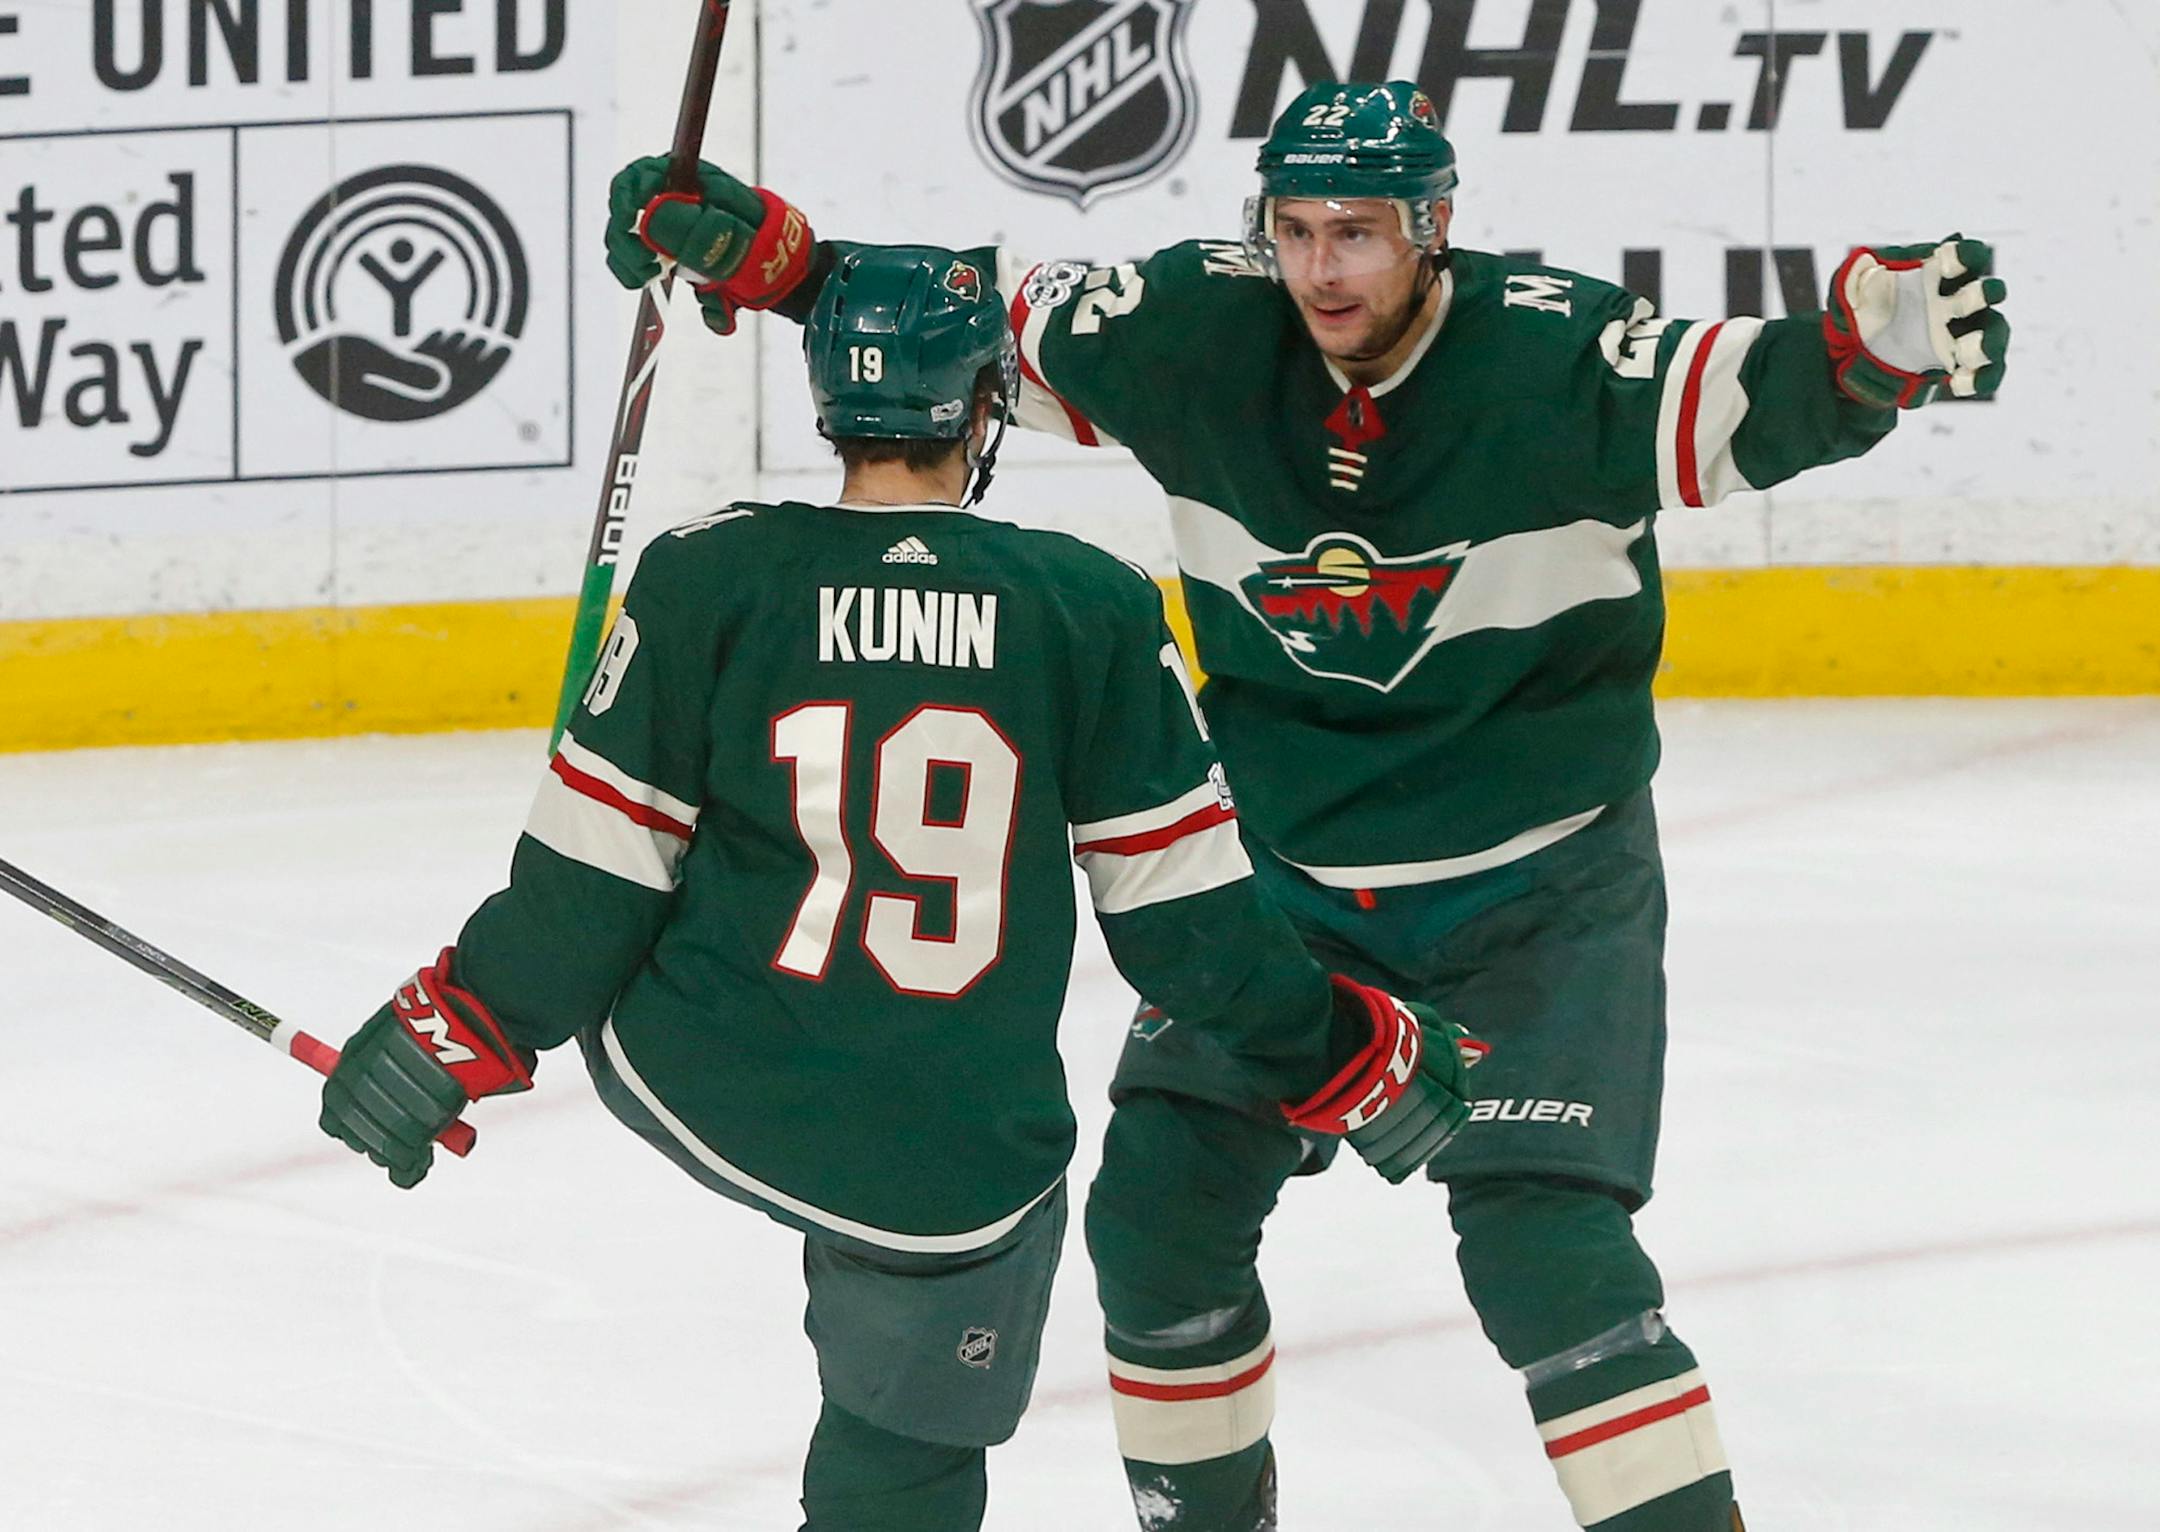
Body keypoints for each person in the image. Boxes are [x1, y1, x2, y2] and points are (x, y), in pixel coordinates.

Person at [601, 80, 2011, 1532]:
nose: (1323, 270)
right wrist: (773, 262)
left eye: (1358, 232)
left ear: (1434, 228)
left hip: (1538, 898)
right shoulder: (1191, 329)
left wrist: (1869, 353)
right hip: (1285, 896)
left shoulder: (1559, 356)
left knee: (1550, 1267)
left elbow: (1775, 391)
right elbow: (957, 325)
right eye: (1294, 230)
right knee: (1157, 1232)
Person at [317, 242, 1485, 1532]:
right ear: (983, 403)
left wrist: (459, 1024)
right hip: (947, 1136)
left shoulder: (707, 573)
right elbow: (1187, 930)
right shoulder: (1087, 605)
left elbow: (590, 887)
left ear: (829, 398)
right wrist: (1339, 1051)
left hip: (718, 1070)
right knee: (908, 1452)